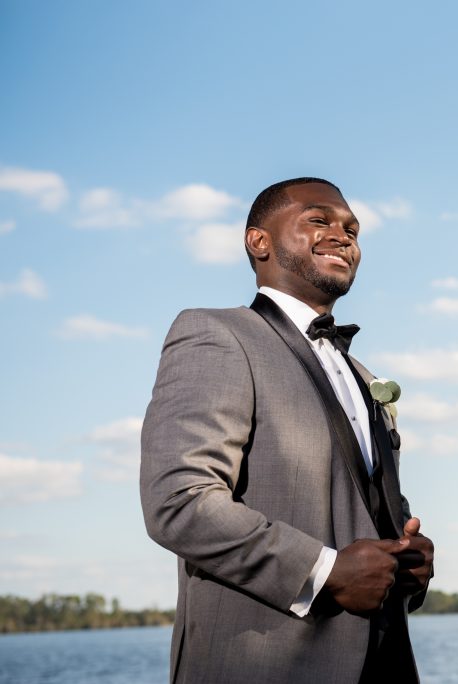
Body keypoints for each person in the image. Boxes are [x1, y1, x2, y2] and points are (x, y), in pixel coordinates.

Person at [140, 177, 433, 683]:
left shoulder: (362, 375)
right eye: (318, 220)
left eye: (352, 230)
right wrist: (325, 572)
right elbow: (180, 501)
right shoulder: (217, 335)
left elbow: (368, 509)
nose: (342, 236)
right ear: (259, 241)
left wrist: (407, 562)